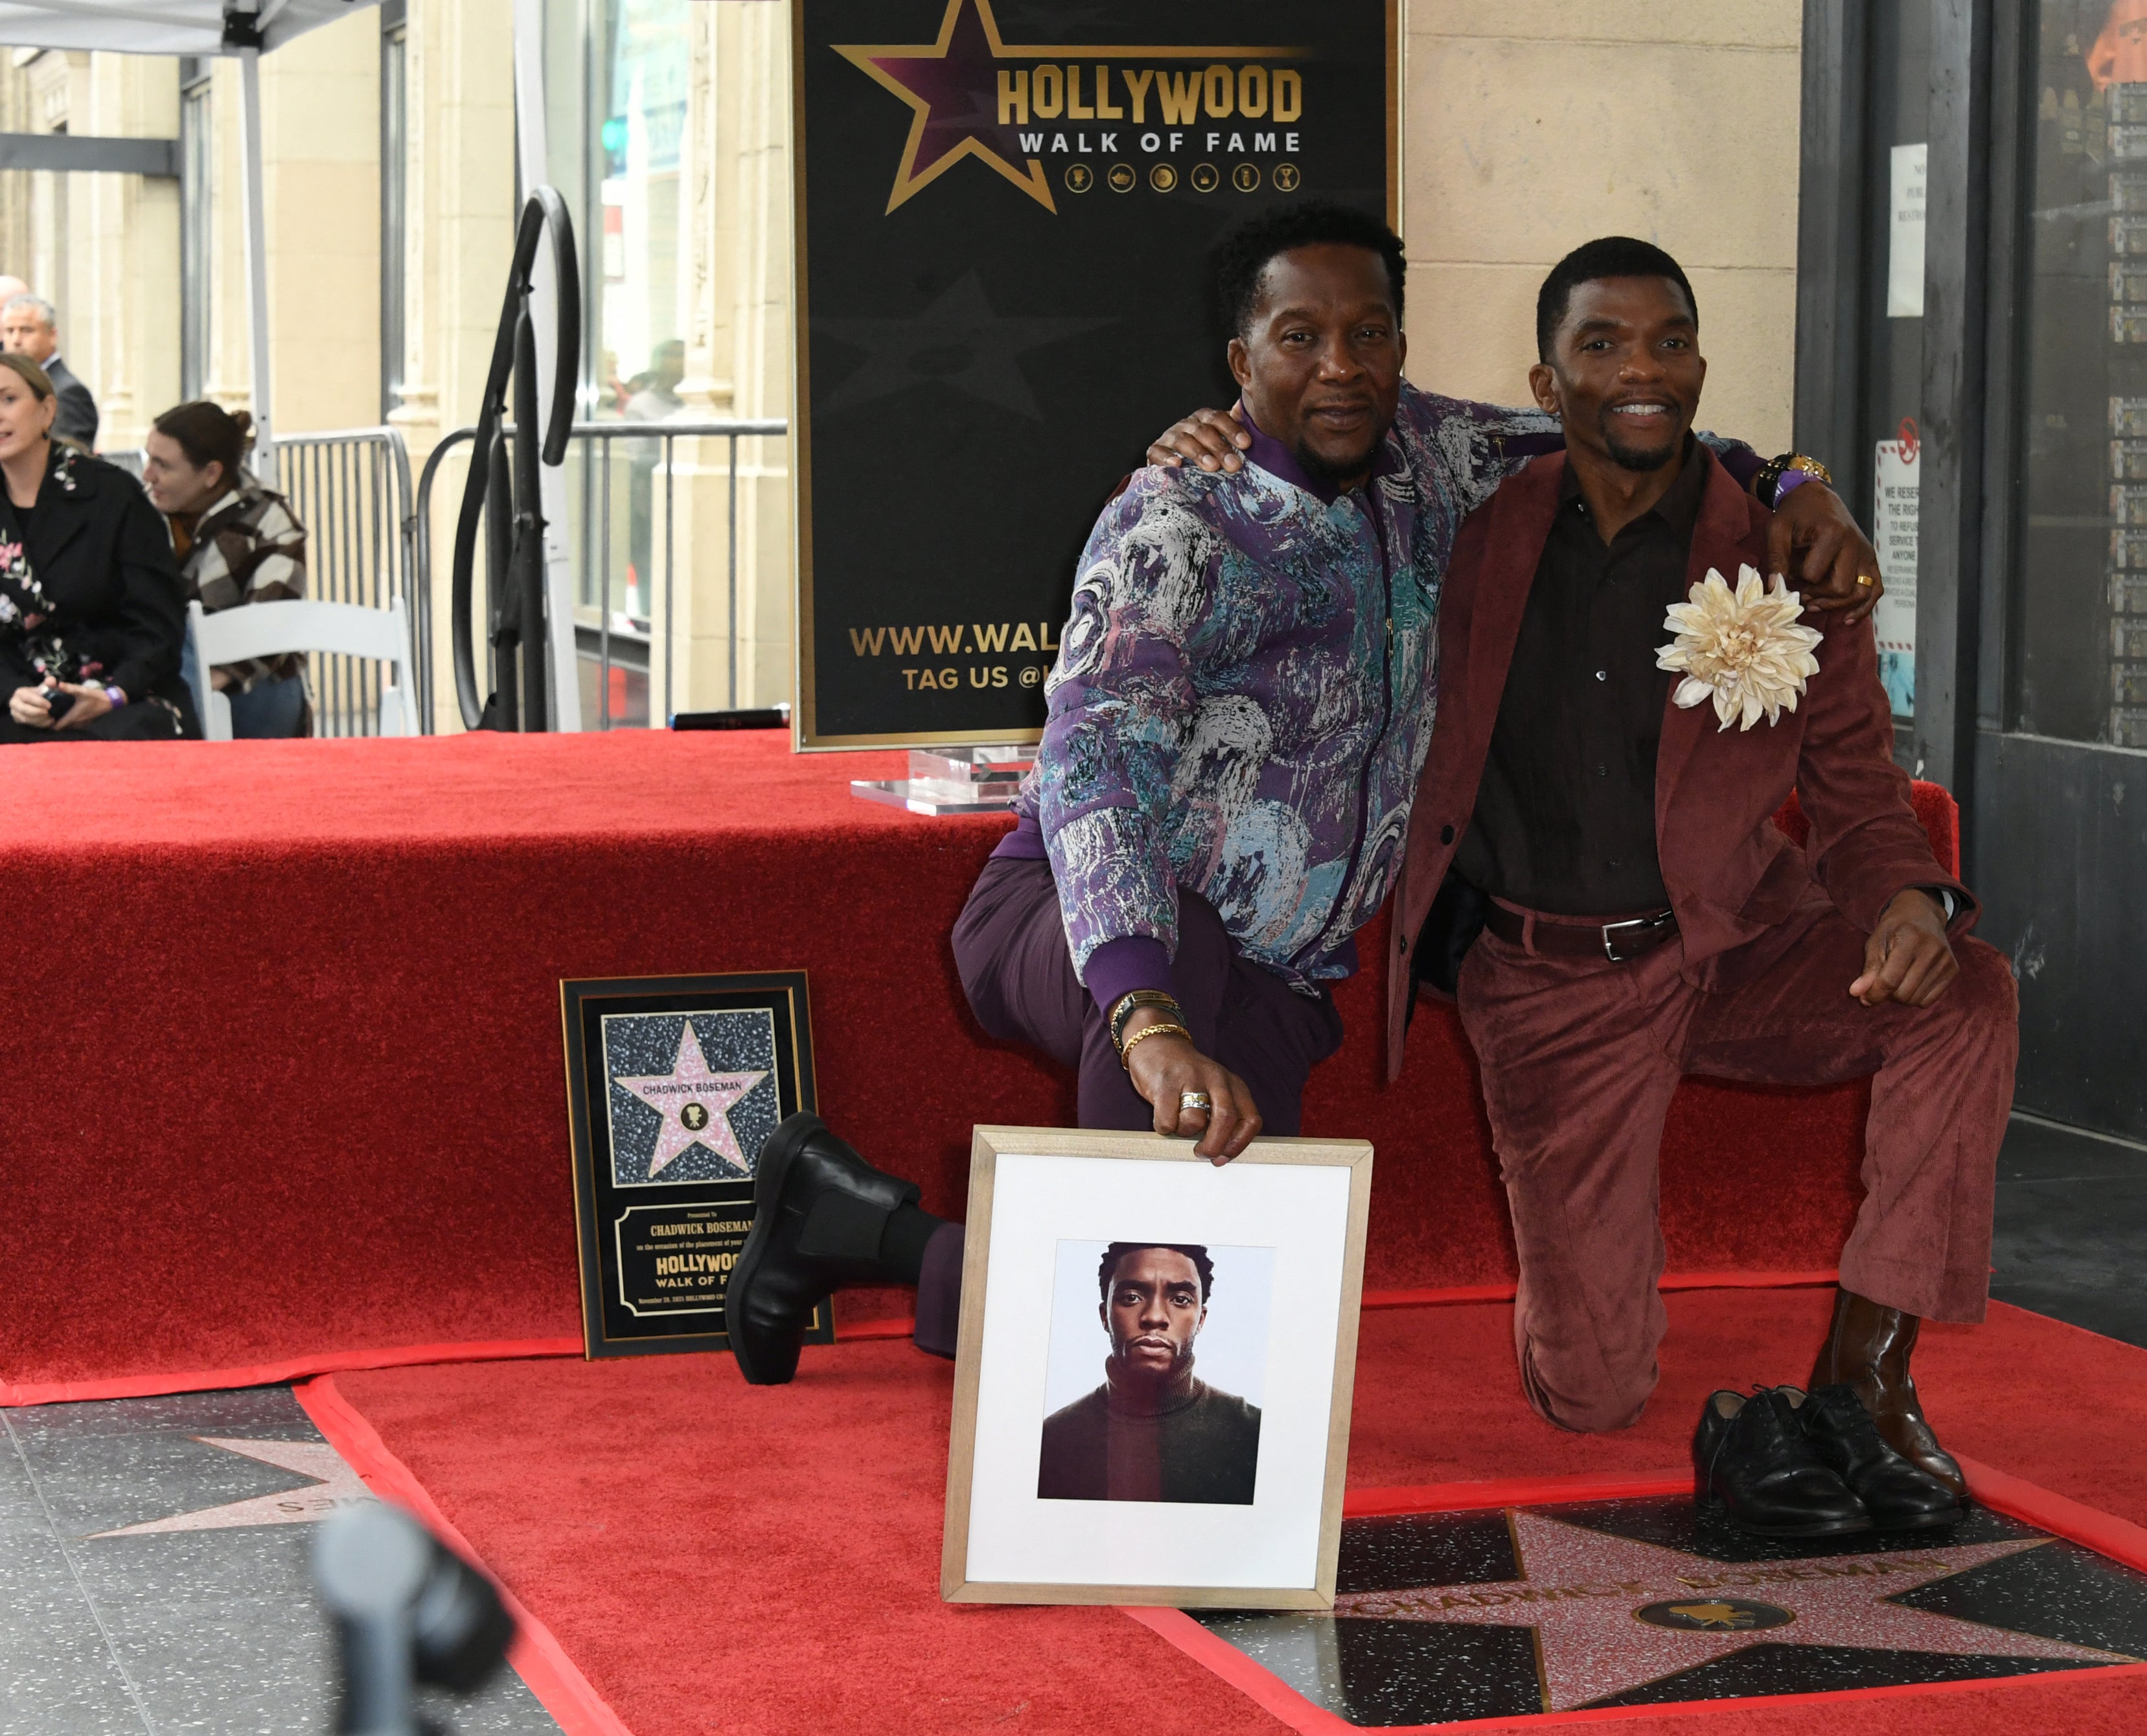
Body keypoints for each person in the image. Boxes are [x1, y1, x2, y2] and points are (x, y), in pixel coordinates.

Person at [720, 203, 1883, 1388]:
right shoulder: (1171, 521)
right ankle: (1110, 1516)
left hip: (1275, 981)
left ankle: (846, 1229)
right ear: (1241, 360)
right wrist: (1150, 1019)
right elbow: (1092, 763)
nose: (1339, 366)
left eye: (1368, 333)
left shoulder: (1435, 461)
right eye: (1299, 337)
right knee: (1163, 1293)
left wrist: (1800, 485)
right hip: (1099, 930)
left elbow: (1631, 425)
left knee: (1205, 1305)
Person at [1381, 239, 2016, 1526]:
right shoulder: (1471, 530)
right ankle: (1725, 1411)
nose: (1641, 370)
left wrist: (1910, 897)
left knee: (1966, 992)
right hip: (1551, 984)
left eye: (1669, 341)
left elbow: (1851, 777)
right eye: (1603, 346)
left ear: (1701, 366)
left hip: (1736, 939)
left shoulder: (1784, 549)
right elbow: (1324, 429)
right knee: (1593, 1392)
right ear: (1544, 383)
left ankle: (1868, 1371)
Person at [0, 353, 196, 741]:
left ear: (47, 410)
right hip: (17, 699)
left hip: (122, 695)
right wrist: (12, 694)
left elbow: (158, 625)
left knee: (130, 741)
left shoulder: (112, 495)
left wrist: (113, 694)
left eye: (8, 399)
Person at [1037, 1243, 1262, 1504]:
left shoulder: (1253, 1435)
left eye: (1180, 1299)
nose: (1155, 1316)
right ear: (1105, 1316)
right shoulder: (1050, 1442)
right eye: (1132, 1297)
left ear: (1201, 1319)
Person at [143, 400, 312, 738]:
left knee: (191, 636)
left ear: (211, 474)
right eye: (149, 458)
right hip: (161, 677)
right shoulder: (143, 513)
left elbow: (272, 623)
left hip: (250, 689)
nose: (148, 475)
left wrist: (205, 682)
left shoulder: (270, 519)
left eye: (162, 465)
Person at [1, 295, 98, 450]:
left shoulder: (69, 393)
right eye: (10, 331)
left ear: (52, 335)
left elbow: (64, 459)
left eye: (27, 330)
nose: (16, 340)